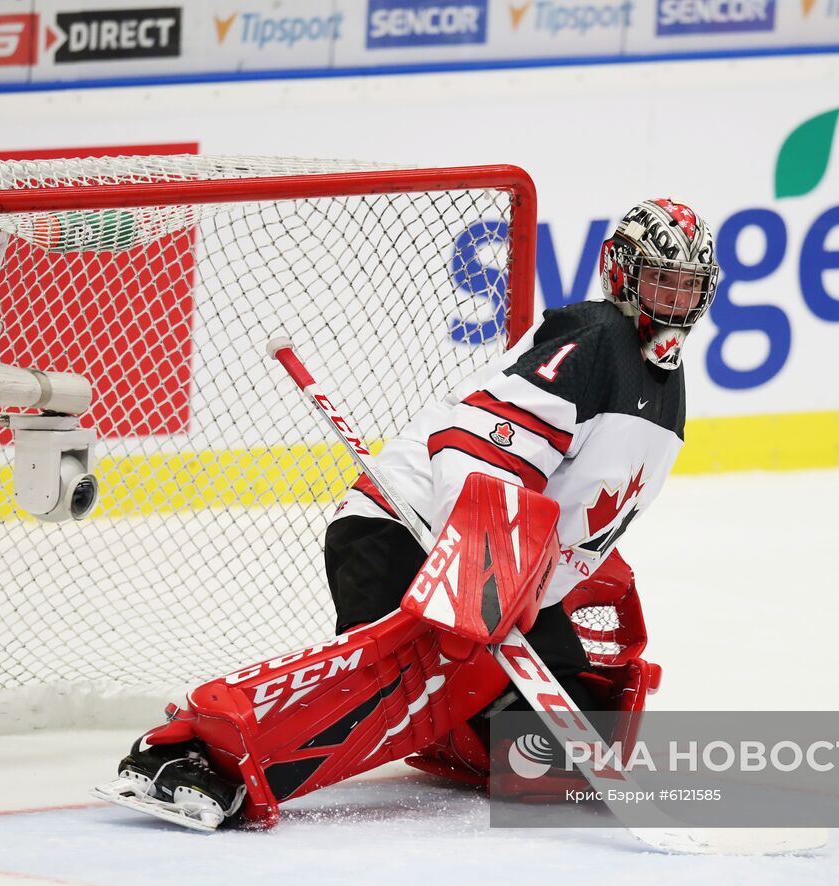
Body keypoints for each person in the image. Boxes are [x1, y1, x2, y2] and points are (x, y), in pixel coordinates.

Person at [94, 198, 721, 829]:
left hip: (507, 578)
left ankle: (447, 722)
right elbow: (476, 445)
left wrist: (540, 585)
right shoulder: (593, 340)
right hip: (406, 533)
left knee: (563, 761)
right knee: (391, 690)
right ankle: (192, 752)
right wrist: (484, 569)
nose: (673, 299)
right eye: (660, 279)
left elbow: (588, 512)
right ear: (622, 275)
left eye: (688, 285)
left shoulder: (669, 393)